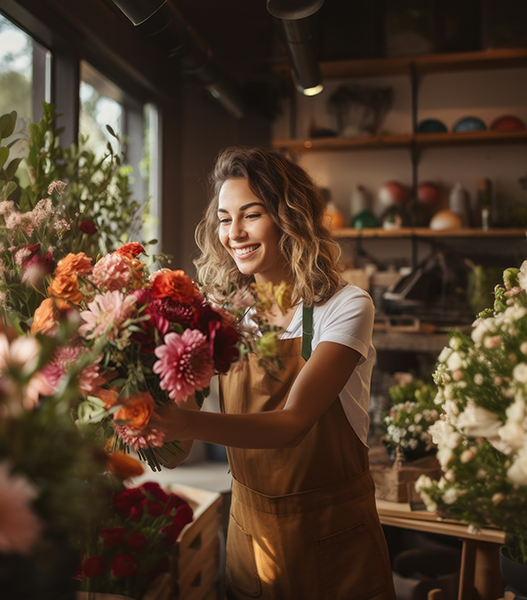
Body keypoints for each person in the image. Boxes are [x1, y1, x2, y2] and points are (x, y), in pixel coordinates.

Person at [149, 146, 396, 600]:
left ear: (290, 216)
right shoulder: (222, 314)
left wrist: (186, 422)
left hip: (334, 538)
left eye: (251, 214)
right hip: (251, 540)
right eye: (224, 219)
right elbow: (179, 449)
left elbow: (293, 423)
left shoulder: (344, 307)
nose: (234, 233)